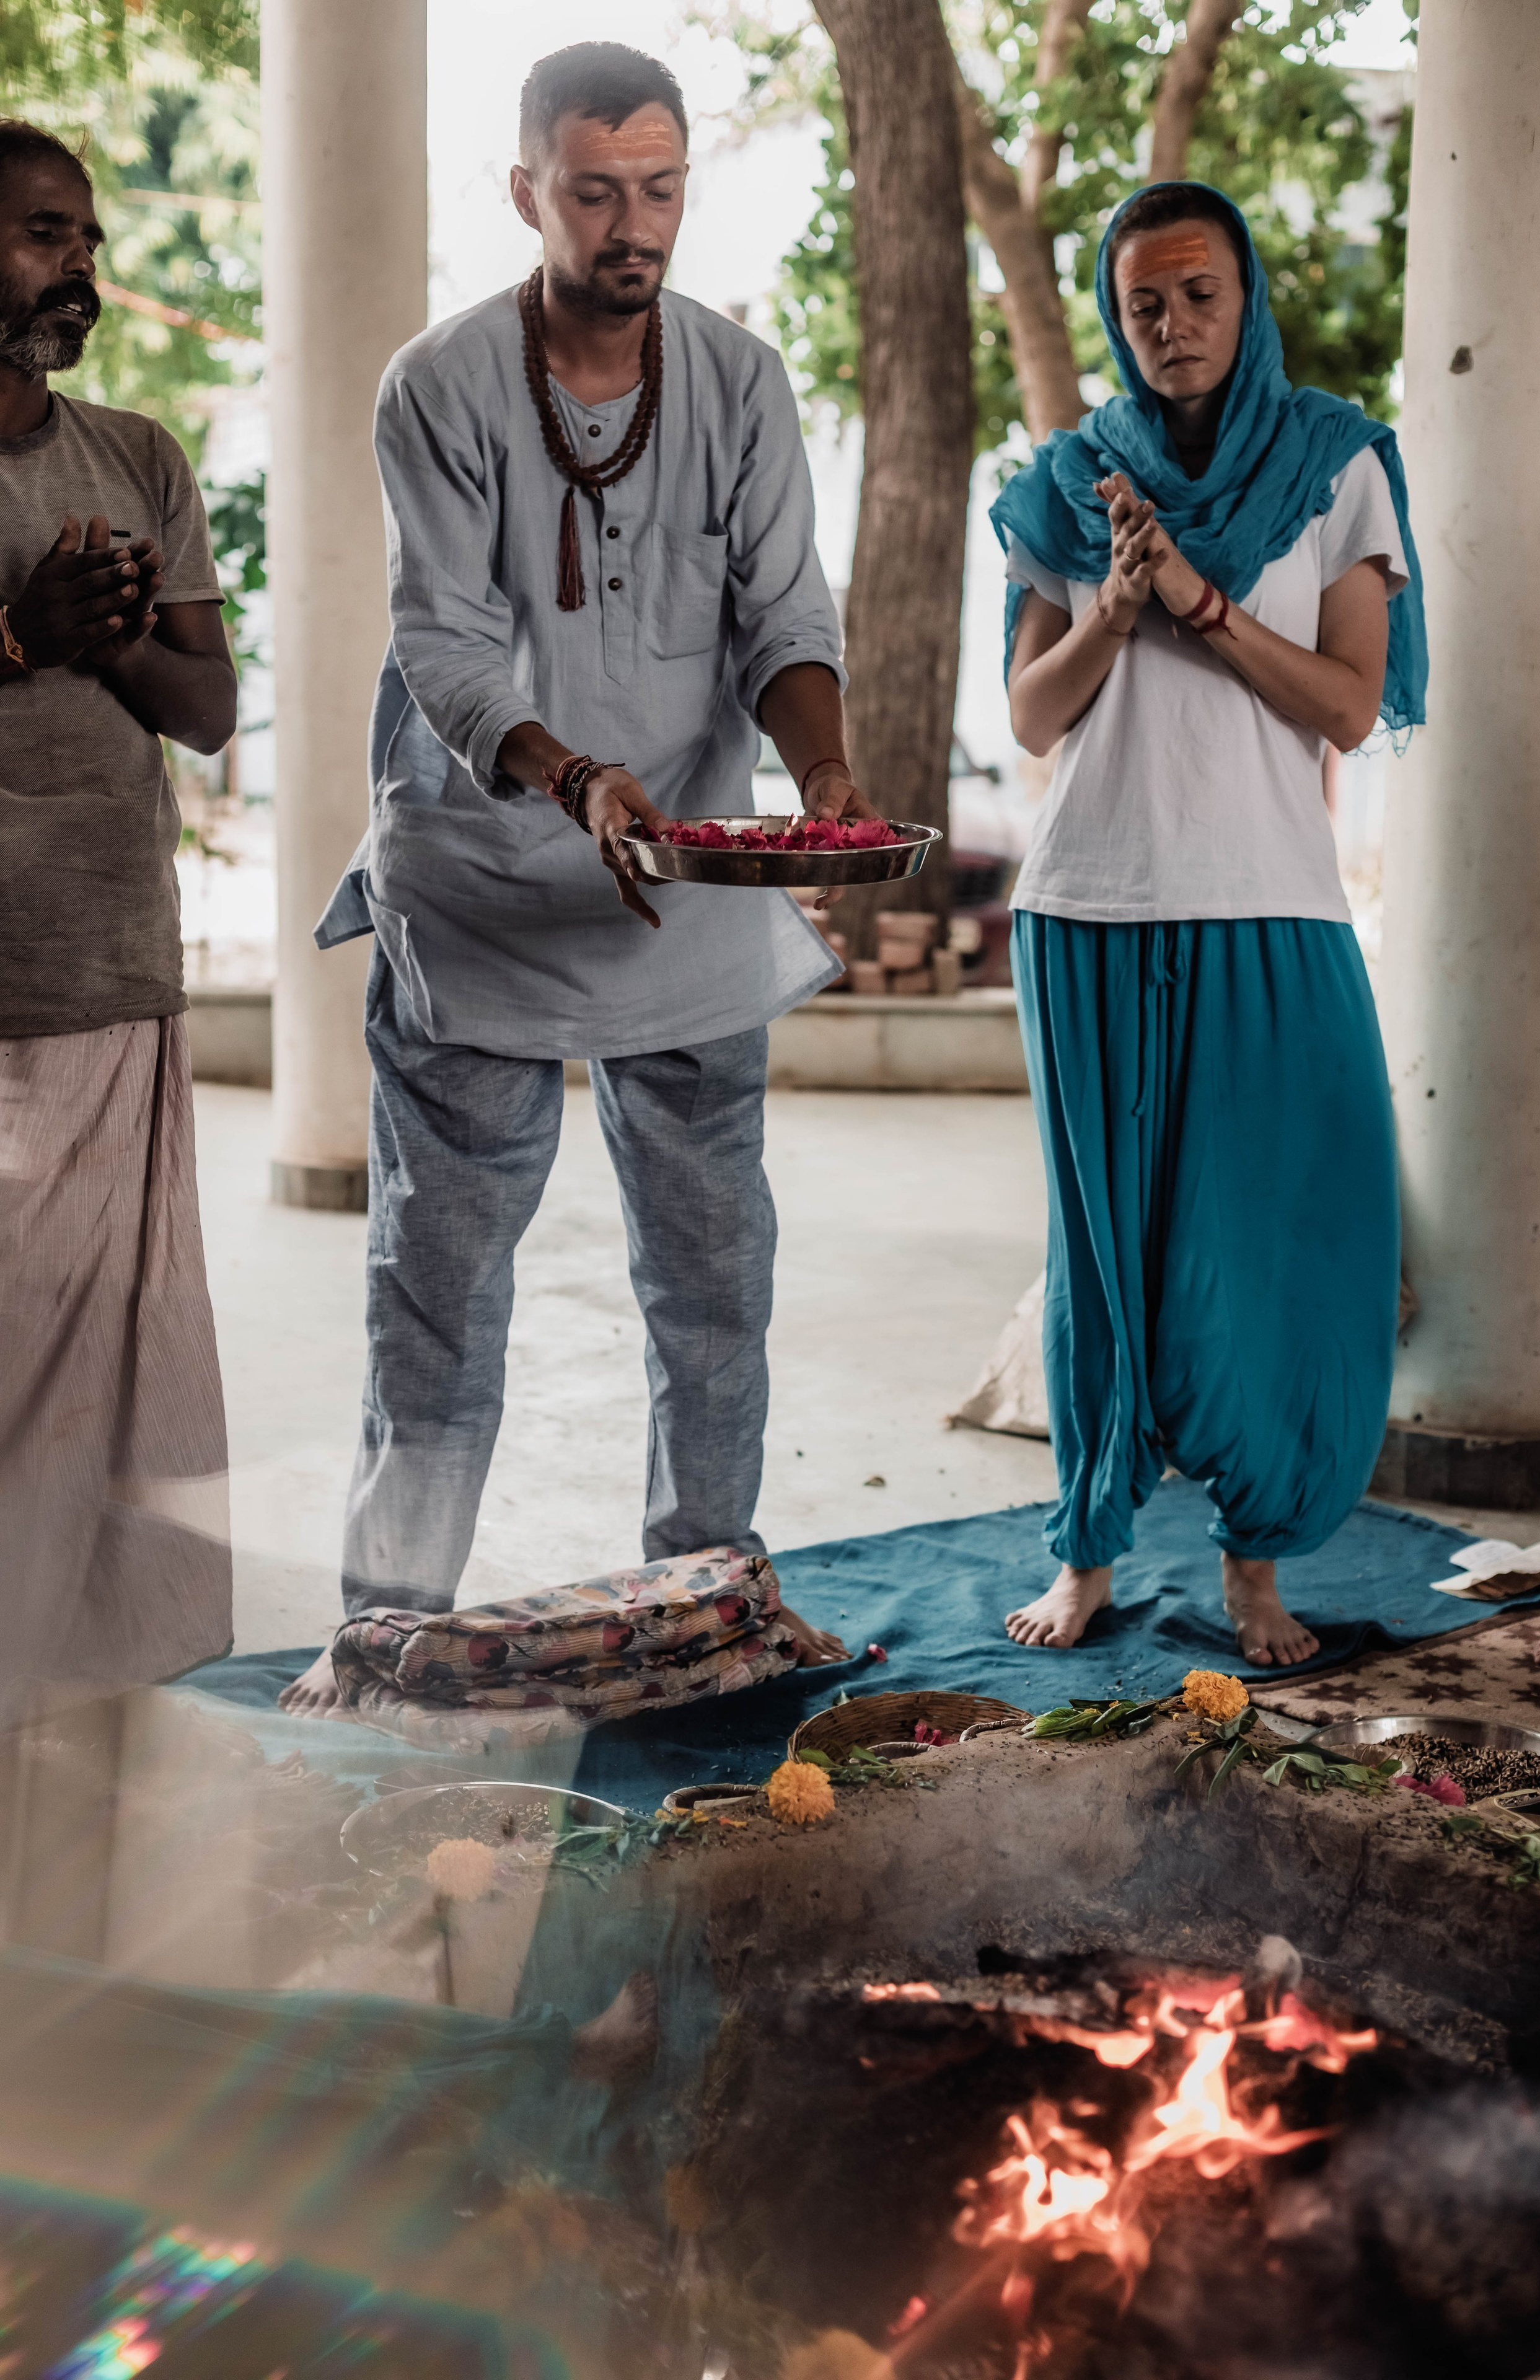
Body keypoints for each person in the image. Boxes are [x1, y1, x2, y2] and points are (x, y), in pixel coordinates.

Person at [283, 43, 866, 1714]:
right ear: (527, 188)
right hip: (479, 888)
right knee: (440, 1304)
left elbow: (785, 618)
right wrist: (572, 778)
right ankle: (382, 1643)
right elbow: (451, 647)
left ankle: (717, 1610)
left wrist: (819, 770)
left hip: (685, 892)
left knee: (713, 1284)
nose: (635, 223)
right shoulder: (441, 385)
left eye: (662, 188)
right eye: (596, 189)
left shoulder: (742, 383)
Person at [990, 182, 1427, 1668]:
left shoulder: (1332, 464)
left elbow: (1349, 706)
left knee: (1278, 1249)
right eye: (1140, 305)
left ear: (1246, 301)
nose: (1169, 325)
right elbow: (1035, 717)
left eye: (1196, 295)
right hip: (1088, 909)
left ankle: (1255, 1569)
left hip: (1271, 906)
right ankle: (1089, 1552)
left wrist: (1199, 602)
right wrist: (1114, 608)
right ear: (1116, 325)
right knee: (1101, 1254)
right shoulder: (1070, 480)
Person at [0, 122, 237, 1721]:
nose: (78, 265)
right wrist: (16, 637)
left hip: (114, 976)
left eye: (80, 236)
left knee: (98, 1380)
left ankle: (70, 1692)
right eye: (38, 233)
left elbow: (207, 708)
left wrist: (103, 641)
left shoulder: (138, 454)